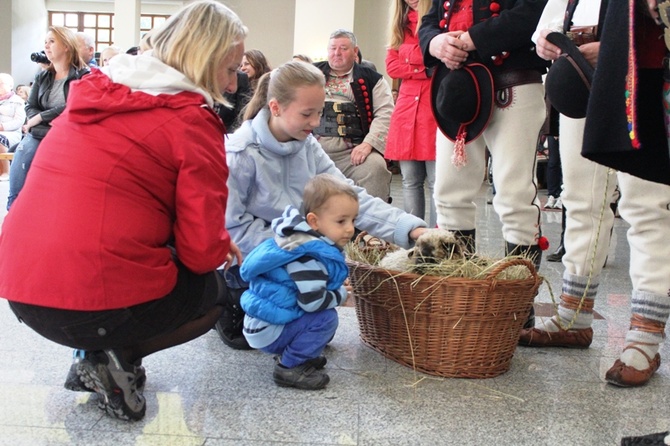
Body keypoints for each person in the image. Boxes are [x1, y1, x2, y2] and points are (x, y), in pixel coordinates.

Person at [0, 0, 246, 420]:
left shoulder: (96, 94)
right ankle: (113, 358)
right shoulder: (190, 119)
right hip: (83, 299)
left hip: (21, 289)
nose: (231, 85)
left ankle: (99, 349)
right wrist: (220, 244)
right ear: (204, 61)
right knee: (213, 292)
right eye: (229, 69)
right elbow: (201, 252)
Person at [216, 60, 428, 350]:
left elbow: (349, 196)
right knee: (258, 333)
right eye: (307, 114)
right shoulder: (240, 153)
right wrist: (302, 249)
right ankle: (226, 299)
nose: (316, 123)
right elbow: (231, 229)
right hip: (252, 258)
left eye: (320, 112)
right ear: (276, 107)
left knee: (314, 325)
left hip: (298, 249)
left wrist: (411, 230)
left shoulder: (307, 145)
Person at [523, 0, 670, 388]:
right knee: (581, 198)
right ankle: (573, 317)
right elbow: (548, 23)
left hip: (644, 74)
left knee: (646, 206)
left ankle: (644, 337)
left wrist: (619, 47)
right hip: (581, 80)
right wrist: (549, 41)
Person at [418, 1, 549, 271]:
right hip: (458, 88)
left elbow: (533, 12)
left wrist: (472, 39)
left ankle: (518, 303)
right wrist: (436, 43)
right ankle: (458, 296)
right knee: (448, 194)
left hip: (513, 83)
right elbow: (430, 21)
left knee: (515, 197)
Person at [240, 174, 357, 390]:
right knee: (326, 318)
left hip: (265, 322)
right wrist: (341, 296)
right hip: (269, 331)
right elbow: (311, 303)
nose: (350, 228)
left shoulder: (298, 241)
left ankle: (298, 352)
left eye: (353, 220)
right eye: (341, 221)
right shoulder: (308, 256)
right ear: (314, 221)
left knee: (322, 315)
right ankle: (289, 366)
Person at [7, 26, 90, 210]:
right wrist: (37, 118)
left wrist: (40, 117)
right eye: (45, 41)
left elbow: (74, 104)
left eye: (52, 41)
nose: (46, 45)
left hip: (69, 134)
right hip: (40, 132)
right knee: (23, 153)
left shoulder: (84, 75)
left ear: (67, 46)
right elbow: (30, 105)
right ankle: (14, 209)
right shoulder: (42, 76)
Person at [313, 29, 394, 202]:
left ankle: (373, 224)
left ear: (355, 51)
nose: (337, 53)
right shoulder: (309, 73)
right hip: (313, 149)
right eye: (333, 48)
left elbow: (386, 113)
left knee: (376, 168)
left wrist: (368, 145)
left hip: (352, 152)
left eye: (343, 48)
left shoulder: (373, 79)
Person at [385, 0, 437, 228]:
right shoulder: (400, 27)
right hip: (406, 114)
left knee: (438, 183)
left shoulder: (437, 23)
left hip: (434, 110)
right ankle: (415, 238)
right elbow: (391, 67)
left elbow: (437, 62)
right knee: (410, 181)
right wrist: (423, 68)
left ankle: (439, 240)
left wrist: (407, 58)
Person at [0, 73, 26, 181]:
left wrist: (2, 127)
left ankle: (6, 171)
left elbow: (19, 121)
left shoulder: (17, 101)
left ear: (10, 85)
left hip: (11, 132)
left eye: (1, 83)